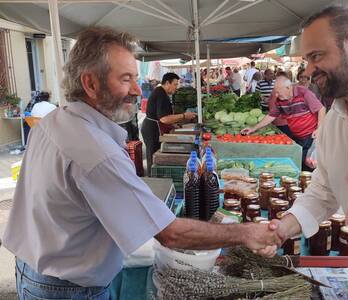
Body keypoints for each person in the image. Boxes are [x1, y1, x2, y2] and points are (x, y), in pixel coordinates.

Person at [2, 27, 282, 300]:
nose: (137, 90)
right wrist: (245, 233)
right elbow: (170, 234)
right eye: (125, 79)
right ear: (90, 83)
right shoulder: (97, 153)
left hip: (30, 268)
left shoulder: (53, 121)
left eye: (135, 78)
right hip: (68, 289)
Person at [259, 5, 348, 297]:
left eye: (316, 56)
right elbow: (323, 189)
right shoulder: (333, 119)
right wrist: (284, 226)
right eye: (306, 60)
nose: (308, 71)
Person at [241, 75, 324, 170]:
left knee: (308, 164)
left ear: (288, 88)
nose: (276, 95)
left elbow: (321, 108)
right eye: (275, 92)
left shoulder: (303, 93)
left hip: (310, 136)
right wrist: (253, 128)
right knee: (300, 162)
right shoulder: (279, 101)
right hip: (297, 137)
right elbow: (271, 116)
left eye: (278, 92)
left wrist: (319, 128)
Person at [141, 72, 197, 173]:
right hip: (152, 128)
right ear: (167, 83)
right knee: (153, 155)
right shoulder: (160, 94)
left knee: (154, 154)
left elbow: (164, 117)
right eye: (175, 84)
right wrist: (184, 116)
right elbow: (164, 119)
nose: (176, 87)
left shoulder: (161, 92)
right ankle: (153, 178)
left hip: (153, 126)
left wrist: (174, 123)